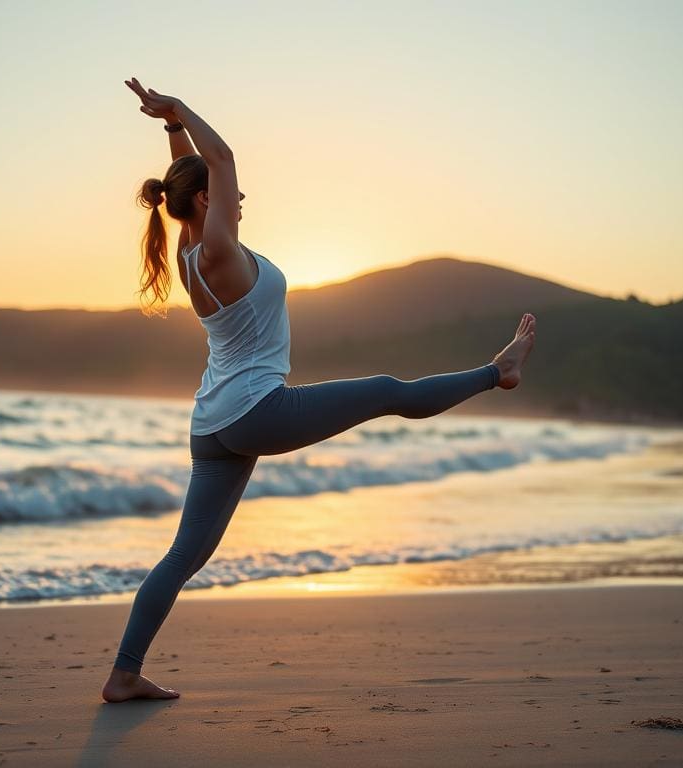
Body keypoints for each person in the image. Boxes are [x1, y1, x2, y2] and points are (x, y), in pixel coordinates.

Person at [102, 77, 536, 703]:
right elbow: (220, 161)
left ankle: (124, 673)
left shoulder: (192, 247)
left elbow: (195, 172)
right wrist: (180, 110)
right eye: (226, 194)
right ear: (203, 201)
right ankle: (500, 372)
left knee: (183, 556)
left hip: (211, 426)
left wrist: (171, 132)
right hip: (258, 411)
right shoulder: (217, 245)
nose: (240, 196)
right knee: (390, 390)